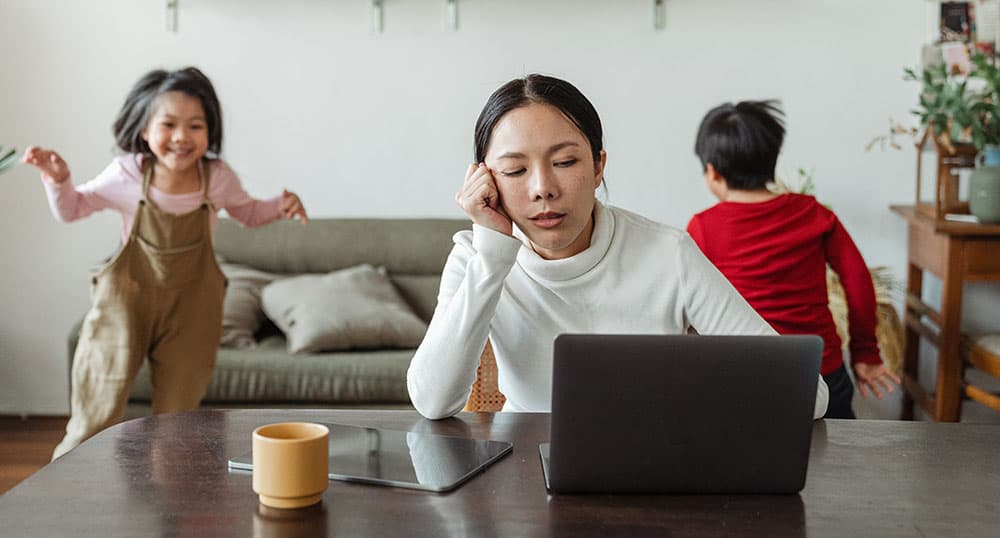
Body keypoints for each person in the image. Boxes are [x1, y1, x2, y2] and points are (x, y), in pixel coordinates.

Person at [406, 75, 829, 420]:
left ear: (598, 167)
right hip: (524, 473)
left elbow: (808, 395)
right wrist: (493, 254)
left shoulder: (668, 253)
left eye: (566, 162)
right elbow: (432, 401)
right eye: (515, 170)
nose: (543, 190)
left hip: (653, 466)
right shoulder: (475, 257)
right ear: (485, 181)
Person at [23, 67, 308, 459]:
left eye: (195, 125)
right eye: (169, 124)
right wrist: (58, 180)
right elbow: (72, 209)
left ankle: (169, 511)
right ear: (143, 129)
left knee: (177, 425)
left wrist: (280, 206)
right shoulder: (126, 174)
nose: (181, 137)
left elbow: (249, 213)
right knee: (94, 414)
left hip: (191, 311)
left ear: (210, 132)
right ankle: (64, 496)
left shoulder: (217, 178)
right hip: (125, 305)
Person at [686, 100, 899, 419]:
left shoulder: (703, 227)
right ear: (772, 161)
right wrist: (865, 351)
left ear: (712, 172)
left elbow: (691, 303)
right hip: (821, 373)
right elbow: (857, 281)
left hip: (745, 377)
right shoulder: (815, 214)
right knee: (836, 462)